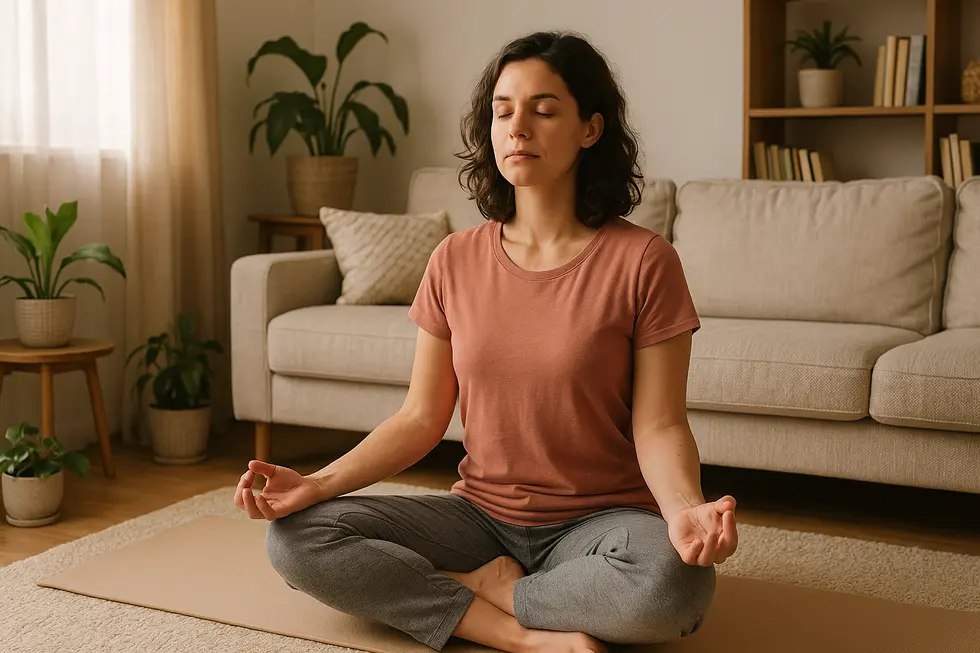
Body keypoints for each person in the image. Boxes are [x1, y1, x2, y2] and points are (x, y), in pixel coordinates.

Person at [233, 29, 738, 653]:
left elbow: (659, 425)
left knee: (671, 588)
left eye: (543, 110)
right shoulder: (453, 259)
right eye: (502, 111)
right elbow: (420, 417)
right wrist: (316, 483)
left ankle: (492, 591)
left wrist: (685, 509)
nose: (517, 127)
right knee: (294, 538)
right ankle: (509, 628)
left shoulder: (644, 261)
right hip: (480, 518)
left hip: (603, 523)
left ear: (590, 129)